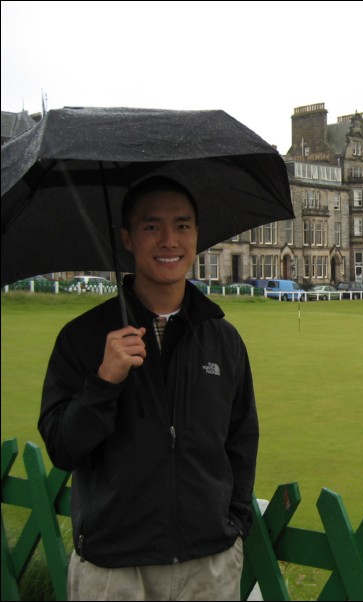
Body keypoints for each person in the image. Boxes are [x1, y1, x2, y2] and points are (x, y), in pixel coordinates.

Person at [39, 176, 258, 601]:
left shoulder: (222, 338)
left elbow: (241, 439)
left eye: (182, 225)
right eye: (151, 226)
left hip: (208, 566)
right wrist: (103, 382)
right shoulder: (81, 338)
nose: (169, 240)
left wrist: (233, 524)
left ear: (197, 234)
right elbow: (63, 449)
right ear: (127, 237)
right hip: (114, 569)